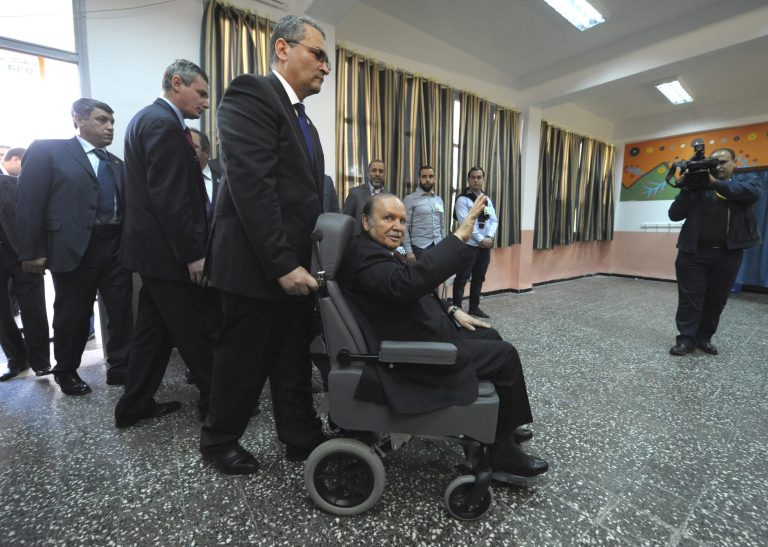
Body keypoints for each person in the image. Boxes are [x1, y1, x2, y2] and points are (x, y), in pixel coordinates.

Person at [200, 15, 331, 474]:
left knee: (292, 353)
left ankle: (299, 433)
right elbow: (251, 185)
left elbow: (307, 198)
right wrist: (280, 263)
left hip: (294, 266)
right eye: (317, 54)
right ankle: (219, 440)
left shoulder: (306, 124)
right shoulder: (251, 94)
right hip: (257, 265)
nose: (325, 67)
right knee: (242, 357)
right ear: (282, 49)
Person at [338, 193, 547, 477]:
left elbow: (415, 287)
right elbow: (406, 284)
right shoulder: (363, 255)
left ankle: (502, 427)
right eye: (388, 218)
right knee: (505, 356)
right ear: (365, 221)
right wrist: (459, 237)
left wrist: (451, 310)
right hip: (411, 354)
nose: (398, 226)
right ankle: (501, 454)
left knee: (491, 335)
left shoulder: (378, 250)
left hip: (424, 331)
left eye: (402, 220)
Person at [115, 59, 221, 428]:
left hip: (153, 254)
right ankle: (219, 409)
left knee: (152, 335)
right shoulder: (163, 124)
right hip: (169, 255)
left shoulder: (146, 119)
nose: (206, 103)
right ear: (178, 83)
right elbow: (171, 198)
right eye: (201, 93)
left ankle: (132, 406)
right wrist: (193, 254)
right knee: (198, 332)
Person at [16, 98, 133, 395]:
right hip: (75, 247)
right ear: (78, 119)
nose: (109, 127)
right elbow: (29, 202)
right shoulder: (49, 151)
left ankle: (120, 367)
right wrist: (31, 251)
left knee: (120, 311)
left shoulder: (115, 163)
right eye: (101, 120)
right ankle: (66, 371)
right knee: (73, 314)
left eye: (112, 122)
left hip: (115, 246)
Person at [668, 148, 762, 356]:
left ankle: (704, 338)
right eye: (714, 163)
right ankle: (686, 340)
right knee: (690, 299)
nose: (718, 166)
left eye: (723, 162)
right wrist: (685, 188)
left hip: (728, 254)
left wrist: (713, 183)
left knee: (716, 299)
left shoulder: (748, 182)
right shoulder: (696, 188)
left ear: (734, 163)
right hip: (692, 253)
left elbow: (751, 194)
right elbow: (674, 215)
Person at [0, 164, 51, 382]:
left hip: (23, 254)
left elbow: (35, 218)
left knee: (33, 308)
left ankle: (41, 362)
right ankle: (16, 360)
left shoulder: (16, 184)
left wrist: (39, 251)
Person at [452, 166, 498, 318]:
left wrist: (489, 237)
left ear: (483, 179)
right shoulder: (462, 199)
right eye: (473, 177)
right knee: (462, 278)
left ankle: (474, 307)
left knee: (479, 277)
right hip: (469, 246)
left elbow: (493, 220)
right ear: (468, 179)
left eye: (479, 177)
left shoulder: (486, 199)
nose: (476, 180)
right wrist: (481, 239)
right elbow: (466, 223)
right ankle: (456, 309)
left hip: (484, 246)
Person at [403, 165, 445, 260]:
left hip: (438, 246)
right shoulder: (410, 199)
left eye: (430, 176)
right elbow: (404, 227)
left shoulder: (439, 200)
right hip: (420, 247)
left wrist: (443, 246)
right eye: (424, 176)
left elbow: (442, 225)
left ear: (434, 178)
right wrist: (409, 251)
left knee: (438, 274)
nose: (427, 180)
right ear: (419, 179)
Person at [342, 159, 389, 230]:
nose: (377, 174)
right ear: (368, 174)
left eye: (381, 171)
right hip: (360, 239)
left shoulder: (390, 197)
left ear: (384, 175)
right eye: (374, 170)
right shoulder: (355, 193)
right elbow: (345, 221)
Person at [189, 127, 221, 213]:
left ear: (207, 152)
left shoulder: (223, 173)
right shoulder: (173, 178)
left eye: (193, 147)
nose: (186, 150)